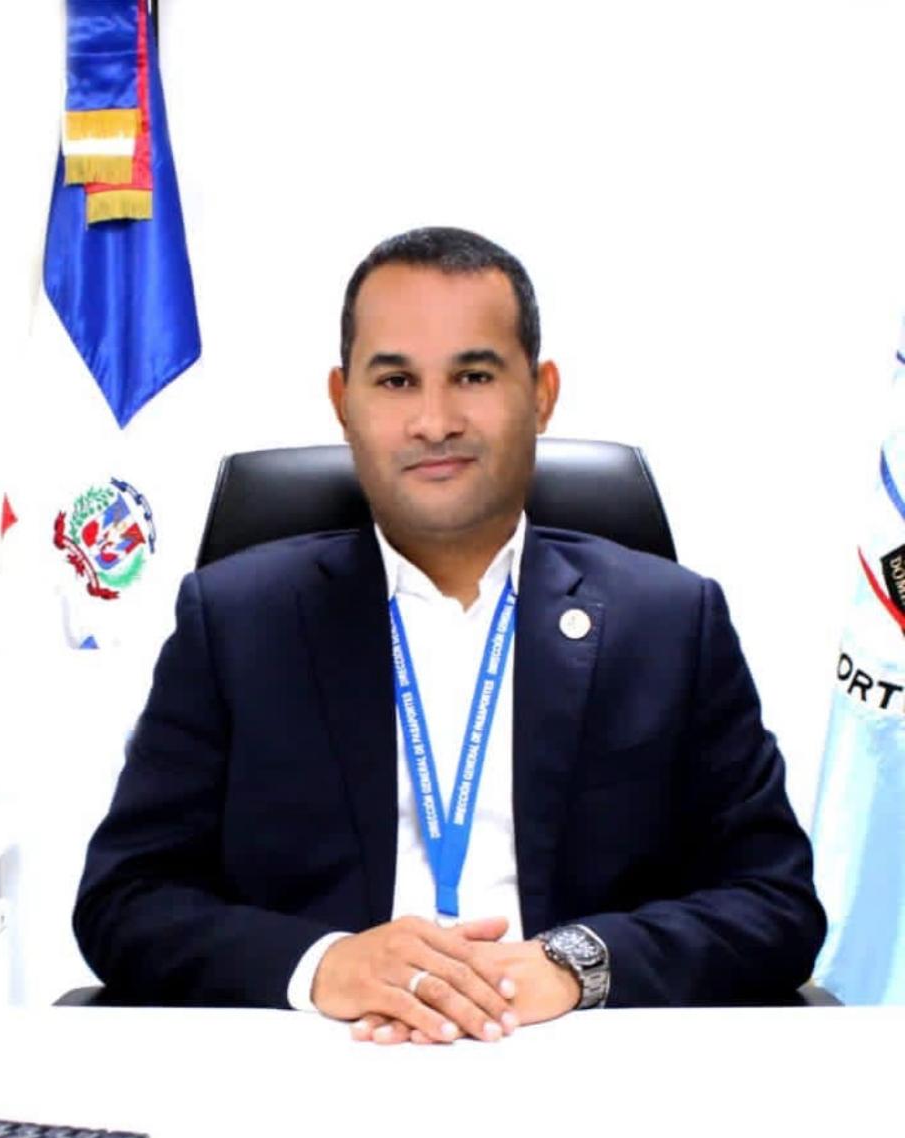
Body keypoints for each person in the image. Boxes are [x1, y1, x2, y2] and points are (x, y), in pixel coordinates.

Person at [73, 227, 826, 1044]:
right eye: (396, 380)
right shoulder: (236, 620)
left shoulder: (671, 622)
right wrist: (323, 964)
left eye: (473, 375)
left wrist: (576, 964)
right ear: (344, 401)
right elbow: (125, 899)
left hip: (580, 1053)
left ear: (541, 393)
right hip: (318, 1057)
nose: (434, 421)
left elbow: (776, 902)